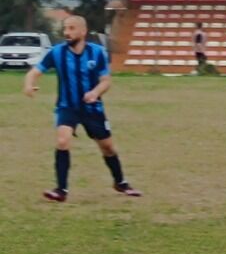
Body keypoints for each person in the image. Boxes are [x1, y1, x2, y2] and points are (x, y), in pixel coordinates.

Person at [23, 15, 143, 202]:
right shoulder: (57, 52)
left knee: (108, 148)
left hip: (92, 109)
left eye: (71, 28)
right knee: (63, 141)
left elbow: (106, 81)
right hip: (67, 107)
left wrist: (95, 92)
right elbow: (34, 72)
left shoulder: (97, 52)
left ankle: (120, 182)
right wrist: (29, 85)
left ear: (83, 31)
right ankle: (61, 190)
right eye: (65, 28)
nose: (66, 32)